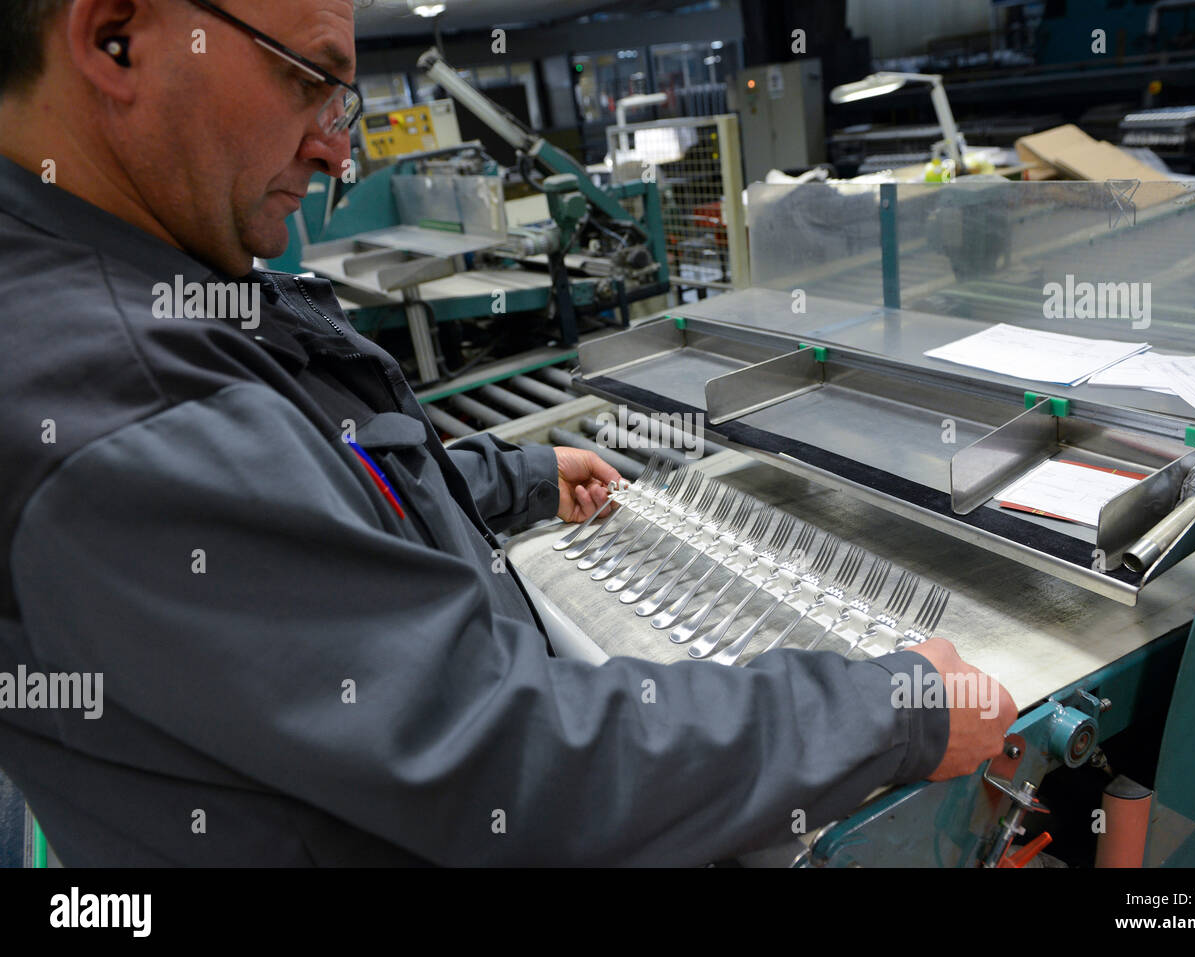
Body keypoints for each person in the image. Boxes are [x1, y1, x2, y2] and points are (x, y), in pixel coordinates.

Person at [0, 0, 1016, 866]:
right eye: (311, 77)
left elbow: (326, 485)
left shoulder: (139, 288)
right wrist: (892, 708)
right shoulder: (120, 395)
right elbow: (497, 760)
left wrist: (511, 476)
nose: (334, 145)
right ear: (119, 36)